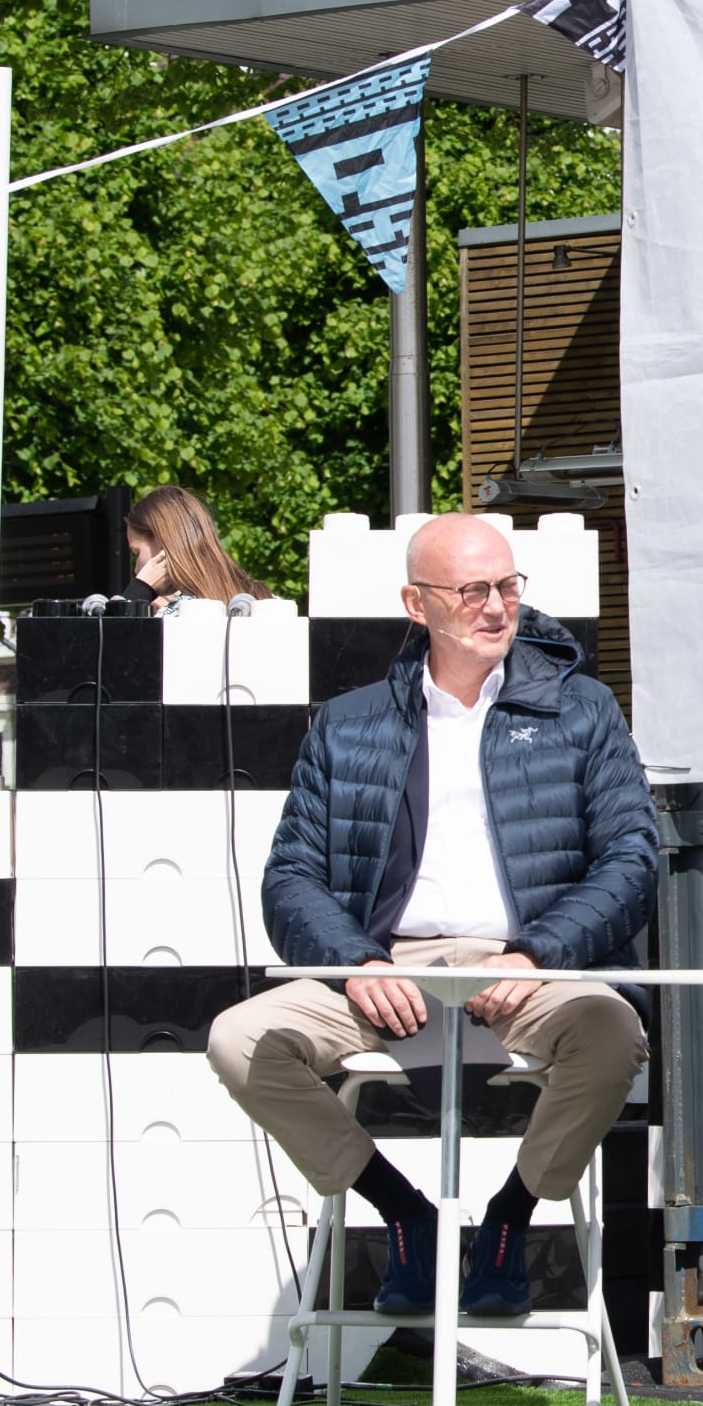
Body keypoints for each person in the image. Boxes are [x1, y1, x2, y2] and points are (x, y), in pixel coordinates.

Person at [208, 514, 656, 1320]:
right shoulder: (349, 724)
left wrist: (535, 954)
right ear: (417, 604)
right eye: (473, 590)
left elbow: (632, 859)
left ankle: (511, 1220)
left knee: (612, 1033)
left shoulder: (581, 708)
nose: (497, 607)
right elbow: (291, 879)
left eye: (509, 586)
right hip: (389, 969)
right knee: (239, 1040)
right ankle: (404, 1214)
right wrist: (358, 963)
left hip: (527, 966)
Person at [122, 484, 275, 609]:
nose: (136, 570)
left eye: (137, 553)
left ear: (162, 544)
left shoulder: (174, 617)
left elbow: (106, 644)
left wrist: (139, 591)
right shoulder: (264, 600)